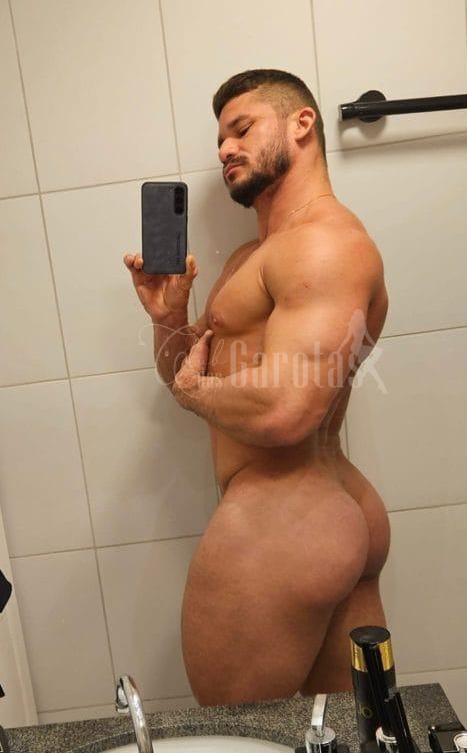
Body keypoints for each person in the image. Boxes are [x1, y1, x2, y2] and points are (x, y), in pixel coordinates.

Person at [123, 69, 390, 706]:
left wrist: (190, 394)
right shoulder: (257, 255)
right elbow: (194, 373)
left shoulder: (324, 245)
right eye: (220, 139)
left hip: (284, 516)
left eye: (242, 129)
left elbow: (284, 411)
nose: (225, 149)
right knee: (348, 737)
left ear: (302, 124)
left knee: (232, 734)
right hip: (317, 511)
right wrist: (168, 318)